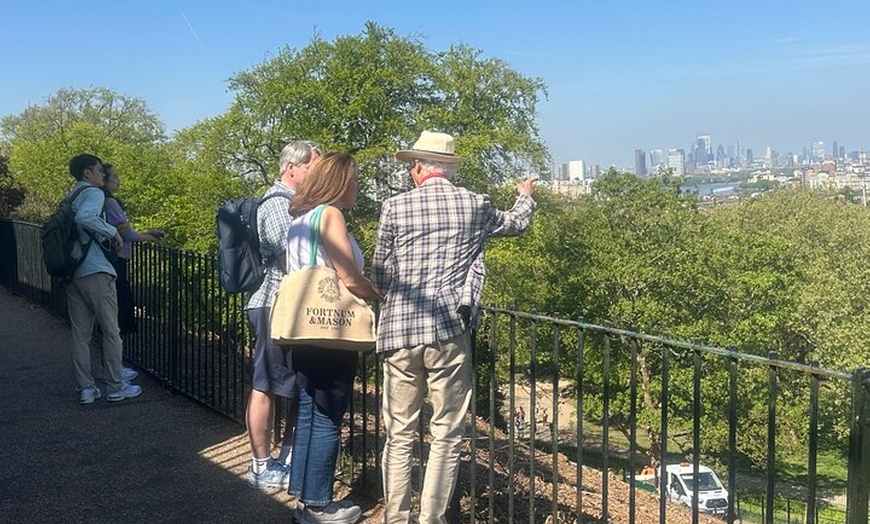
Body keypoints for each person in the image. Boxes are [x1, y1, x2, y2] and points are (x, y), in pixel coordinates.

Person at [373, 131, 538, 524]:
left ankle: (396, 518)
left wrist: (392, 295)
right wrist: (525, 194)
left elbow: (379, 273)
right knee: (446, 433)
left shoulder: (393, 207)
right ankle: (431, 519)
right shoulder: (476, 205)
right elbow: (516, 223)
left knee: (399, 434)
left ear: (417, 168)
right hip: (448, 328)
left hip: (399, 329)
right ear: (449, 169)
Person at [285, 152, 381, 524]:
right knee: (327, 415)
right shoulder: (330, 215)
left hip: (303, 327)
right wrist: (379, 295)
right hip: (331, 328)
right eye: (354, 180)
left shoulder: (301, 219)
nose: (357, 187)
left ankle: (305, 496)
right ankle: (320, 505)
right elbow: (348, 275)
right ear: (340, 182)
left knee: (310, 410)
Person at [244, 140, 321, 490]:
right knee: (266, 385)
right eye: (312, 168)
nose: (317, 174)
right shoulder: (277, 203)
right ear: (292, 167)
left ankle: (287, 458)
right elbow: (286, 252)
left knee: (293, 383)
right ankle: (261, 465)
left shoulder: (297, 204)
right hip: (273, 302)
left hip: (289, 303)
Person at [65, 154, 143, 404]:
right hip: (95, 270)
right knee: (111, 330)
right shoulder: (94, 193)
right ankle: (115, 386)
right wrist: (114, 234)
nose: (102, 175)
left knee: (80, 334)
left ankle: (86, 389)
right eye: (99, 171)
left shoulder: (71, 195)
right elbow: (85, 218)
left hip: (73, 271)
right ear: (88, 173)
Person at [101, 164, 163, 381]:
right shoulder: (109, 202)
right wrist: (151, 238)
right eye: (115, 176)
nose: (118, 180)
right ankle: (115, 369)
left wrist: (146, 233)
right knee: (118, 314)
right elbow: (125, 234)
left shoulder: (101, 201)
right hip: (116, 261)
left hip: (110, 262)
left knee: (113, 315)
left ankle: (113, 366)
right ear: (105, 180)